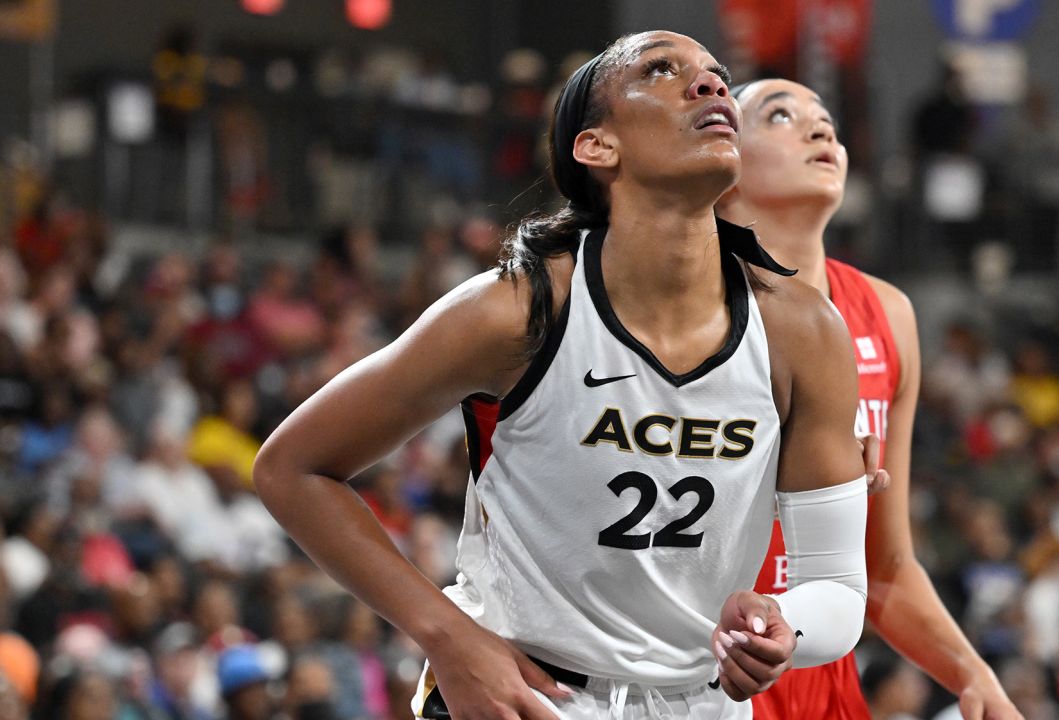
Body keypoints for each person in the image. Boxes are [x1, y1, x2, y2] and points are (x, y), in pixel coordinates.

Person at [255, 31, 877, 720]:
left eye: (716, 74)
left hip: (703, 705)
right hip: (527, 695)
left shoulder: (804, 331)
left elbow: (840, 589)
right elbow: (293, 468)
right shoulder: (516, 310)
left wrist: (786, 626)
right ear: (596, 146)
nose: (709, 85)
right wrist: (450, 638)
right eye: (662, 70)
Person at [717, 78, 1020, 719]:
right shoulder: (686, 310)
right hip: (705, 672)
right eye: (778, 115)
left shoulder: (888, 312)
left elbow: (885, 565)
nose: (821, 130)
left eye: (825, 118)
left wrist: (972, 673)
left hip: (821, 677)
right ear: (724, 160)